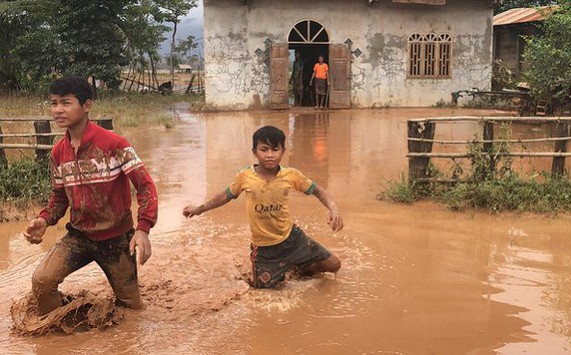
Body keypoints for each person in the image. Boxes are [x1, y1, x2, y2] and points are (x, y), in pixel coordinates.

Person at [24, 76, 158, 315]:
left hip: (117, 239)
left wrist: (143, 229)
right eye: (54, 103)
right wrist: (44, 219)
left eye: (65, 102)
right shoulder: (58, 153)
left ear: (86, 105)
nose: (57, 110)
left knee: (132, 310)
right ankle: (60, 335)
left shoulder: (115, 144)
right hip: (80, 237)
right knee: (42, 282)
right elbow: (59, 197)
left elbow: (145, 186)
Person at [182, 126, 342, 288]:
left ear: (283, 151)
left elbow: (317, 190)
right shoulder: (245, 176)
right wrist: (199, 209)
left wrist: (333, 208)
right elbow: (224, 196)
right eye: (264, 149)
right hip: (264, 250)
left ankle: (300, 268)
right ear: (254, 151)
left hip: (292, 239)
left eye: (275, 149)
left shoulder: (291, 175)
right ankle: (283, 268)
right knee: (264, 293)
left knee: (334, 265)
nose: (270, 155)